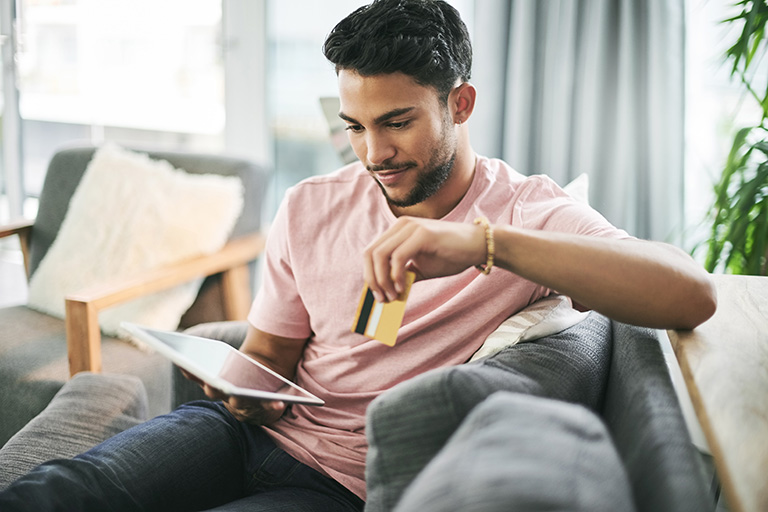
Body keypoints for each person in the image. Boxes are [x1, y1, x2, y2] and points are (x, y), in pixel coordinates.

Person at [0, 1, 716, 511]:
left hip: (339, 484)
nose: (375, 154)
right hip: (237, 434)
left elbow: (690, 293)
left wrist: (482, 245)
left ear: (459, 104)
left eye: (398, 123)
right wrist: (238, 386)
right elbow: (270, 356)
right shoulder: (312, 204)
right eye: (356, 127)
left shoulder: (524, 211)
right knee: (67, 491)